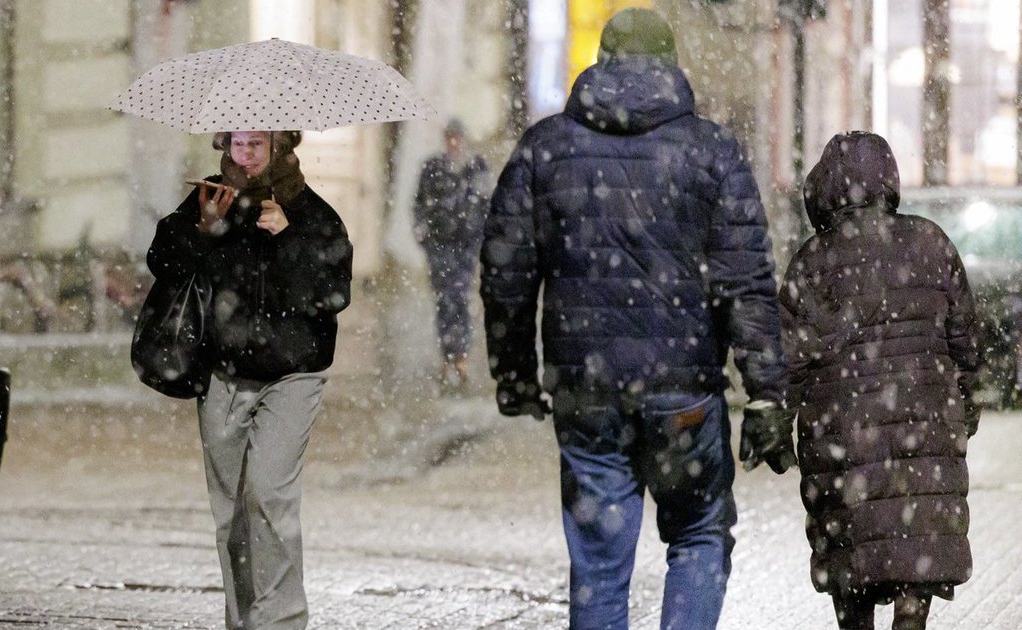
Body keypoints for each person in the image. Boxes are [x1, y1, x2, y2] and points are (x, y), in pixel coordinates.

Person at [479, 8, 794, 629]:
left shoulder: (546, 148)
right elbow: (746, 281)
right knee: (700, 532)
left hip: (586, 391)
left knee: (598, 561)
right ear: (672, 63)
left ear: (601, 61)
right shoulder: (711, 150)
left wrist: (513, 373)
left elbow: (505, 275)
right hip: (683, 388)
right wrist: (766, 393)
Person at [146, 129, 353, 629]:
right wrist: (204, 229)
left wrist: (289, 238)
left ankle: (281, 622)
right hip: (223, 371)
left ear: (280, 146)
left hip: (293, 374)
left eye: (257, 144)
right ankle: (243, 623)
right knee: (232, 514)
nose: (247, 154)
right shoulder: (208, 201)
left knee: (269, 495)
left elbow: (334, 292)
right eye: (239, 144)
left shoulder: (311, 212)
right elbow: (161, 262)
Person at [779, 131, 983, 630]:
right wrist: (967, 404)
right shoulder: (932, 242)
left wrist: (778, 423)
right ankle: (911, 620)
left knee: (854, 568)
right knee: (919, 556)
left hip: (843, 441)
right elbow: (966, 341)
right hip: (926, 433)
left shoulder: (812, 261)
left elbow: (788, 360)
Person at [412, 118, 492, 393]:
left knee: (459, 299)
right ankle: (448, 357)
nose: (454, 143)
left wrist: (480, 239)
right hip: (440, 245)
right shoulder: (433, 168)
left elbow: (485, 205)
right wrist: (424, 234)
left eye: (458, 138)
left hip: (466, 246)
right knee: (445, 301)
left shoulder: (476, 167)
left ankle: (461, 356)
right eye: (450, 138)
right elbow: (420, 204)